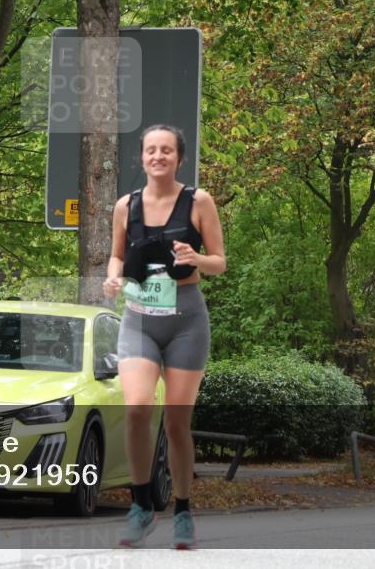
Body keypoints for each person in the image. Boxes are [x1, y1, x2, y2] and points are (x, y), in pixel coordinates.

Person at [102, 124, 225, 549]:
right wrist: (113, 280)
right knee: (137, 409)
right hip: (138, 319)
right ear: (142, 157)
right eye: (151, 150)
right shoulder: (125, 205)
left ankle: (184, 510)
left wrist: (197, 258)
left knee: (176, 422)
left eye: (166, 151)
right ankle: (140, 506)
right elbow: (116, 256)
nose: (158, 156)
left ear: (179, 158)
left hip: (186, 319)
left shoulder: (199, 202)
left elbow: (220, 262)